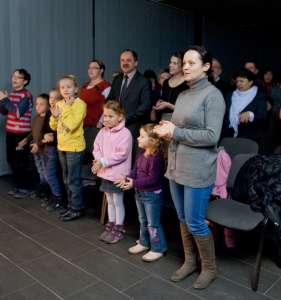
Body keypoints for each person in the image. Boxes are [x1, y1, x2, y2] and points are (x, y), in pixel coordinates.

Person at [154, 45, 225, 289]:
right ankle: (190, 261)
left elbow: (212, 136)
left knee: (195, 221)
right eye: (184, 62)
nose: (185, 66)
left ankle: (210, 268)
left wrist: (175, 131)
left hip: (197, 168)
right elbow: (179, 130)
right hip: (176, 165)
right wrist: (165, 131)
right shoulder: (183, 95)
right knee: (182, 217)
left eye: (191, 62)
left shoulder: (213, 95)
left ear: (206, 67)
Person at [117, 124, 168, 261]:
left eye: (142, 136)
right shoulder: (140, 154)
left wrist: (133, 183)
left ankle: (158, 248)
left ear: (153, 141)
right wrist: (127, 179)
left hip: (152, 196)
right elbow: (135, 171)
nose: (138, 138)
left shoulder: (157, 158)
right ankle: (144, 242)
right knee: (143, 220)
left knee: (153, 223)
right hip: (140, 194)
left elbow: (153, 178)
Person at [93, 101, 132, 244]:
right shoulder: (103, 131)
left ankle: (118, 228)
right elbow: (96, 147)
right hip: (105, 173)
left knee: (117, 201)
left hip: (117, 174)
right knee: (109, 200)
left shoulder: (125, 133)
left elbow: (121, 154)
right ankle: (111, 224)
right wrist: (98, 160)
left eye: (111, 116)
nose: (107, 119)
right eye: (105, 116)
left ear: (120, 116)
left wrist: (102, 161)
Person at [50, 75, 87, 222]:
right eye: (62, 87)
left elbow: (72, 125)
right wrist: (54, 116)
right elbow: (53, 126)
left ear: (76, 89)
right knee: (66, 179)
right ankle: (71, 206)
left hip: (75, 148)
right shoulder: (59, 103)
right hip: (62, 146)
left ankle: (77, 208)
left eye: (69, 87)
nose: (65, 90)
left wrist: (65, 108)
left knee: (73, 180)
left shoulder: (80, 105)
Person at [0, 69, 35, 198]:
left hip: (21, 134)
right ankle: (19, 186)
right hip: (11, 132)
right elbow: (4, 111)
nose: (15, 79)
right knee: (11, 158)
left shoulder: (26, 95)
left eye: (19, 77)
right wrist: (2, 100)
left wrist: (6, 100)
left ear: (25, 81)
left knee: (21, 161)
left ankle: (26, 187)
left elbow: (17, 113)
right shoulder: (12, 94)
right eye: (14, 76)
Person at [106, 49, 152, 141]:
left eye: (128, 60)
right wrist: (111, 117)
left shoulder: (144, 81)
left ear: (136, 63)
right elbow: (110, 100)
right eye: (122, 60)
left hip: (133, 128)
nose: (125, 63)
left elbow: (145, 105)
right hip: (115, 127)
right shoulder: (117, 79)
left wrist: (125, 119)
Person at [18, 93, 50, 200]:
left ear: (48, 106)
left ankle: (48, 189)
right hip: (35, 150)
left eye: (42, 104)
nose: (38, 106)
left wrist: (39, 144)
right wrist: (26, 139)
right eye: (37, 104)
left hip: (43, 149)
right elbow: (33, 133)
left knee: (46, 170)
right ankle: (42, 186)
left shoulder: (48, 119)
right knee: (39, 168)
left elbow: (47, 137)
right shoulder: (36, 118)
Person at [221, 68, 267, 142]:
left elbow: (262, 118)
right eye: (237, 81)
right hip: (229, 136)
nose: (238, 84)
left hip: (249, 138)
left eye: (241, 81)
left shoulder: (259, 96)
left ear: (250, 82)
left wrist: (250, 114)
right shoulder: (230, 95)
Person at [41, 88, 63, 211]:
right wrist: (45, 134)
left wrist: (52, 136)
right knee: (48, 172)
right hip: (47, 147)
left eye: (56, 98)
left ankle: (58, 197)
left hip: (55, 146)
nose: (53, 100)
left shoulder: (60, 111)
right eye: (51, 98)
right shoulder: (49, 112)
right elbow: (44, 127)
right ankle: (54, 194)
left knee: (50, 173)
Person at [153, 51, 188, 122]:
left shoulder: (187, 83)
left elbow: (187, 109)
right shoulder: (166, 82)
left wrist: (168, 105)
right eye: (170, 62)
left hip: (180, 120)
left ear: (182, 66)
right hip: (164, 119)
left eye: (174, 63)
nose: (170, 65)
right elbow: (165, 101)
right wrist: (160, 104)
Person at [80, 60, 111, 128]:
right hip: (82, 125)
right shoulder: (85, 85)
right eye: (89, 67)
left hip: (97, 126)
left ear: (101, 70)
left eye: (94, 68)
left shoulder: (105, 85)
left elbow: (109, 105)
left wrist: (101, 121)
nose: (91, 70)